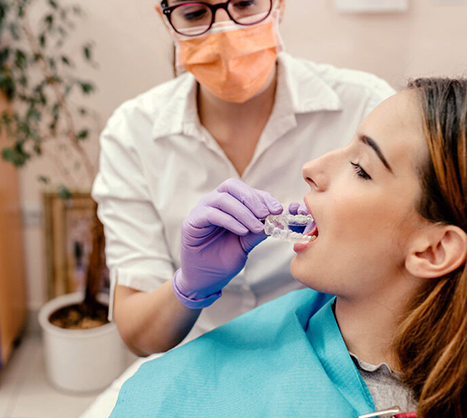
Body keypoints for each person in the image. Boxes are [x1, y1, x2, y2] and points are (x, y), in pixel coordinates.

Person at [108, 78, 467, 418]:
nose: (311, 169)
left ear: (433, 250)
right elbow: (138, 334)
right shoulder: (168, 398)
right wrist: (189, 285)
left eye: (360, 168)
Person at [84, 0, 394, 415]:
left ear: (279, 4)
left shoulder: (364, 106)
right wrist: (189, 287)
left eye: (245, 3)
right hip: (193, 356)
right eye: (195, 13)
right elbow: (140, 335)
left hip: (332, 357)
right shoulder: (133, 133)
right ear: (166, 20)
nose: (226, 30)